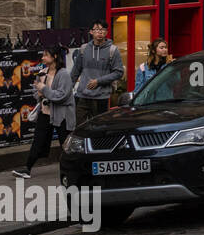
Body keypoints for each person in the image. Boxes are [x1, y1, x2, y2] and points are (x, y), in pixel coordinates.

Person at [14, 48, 75, 179]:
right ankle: (27, 168)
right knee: (38, 140)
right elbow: (36, 92)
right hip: (45, 112)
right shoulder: (42, 72)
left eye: (45, 55)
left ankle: (73, 169)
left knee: (65, 143)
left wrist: (44, 89)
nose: (42, 58)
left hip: (61, 114)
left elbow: (62, 96)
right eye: (42, 55)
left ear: (54, 56)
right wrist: (39, 93)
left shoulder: (63, 74)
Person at [70, 21, 124, 126]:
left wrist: (99, 81)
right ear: (91, 32)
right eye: (97, 29)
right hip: (83, 95)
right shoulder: (84, 49)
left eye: (103, 29)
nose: (100, 32)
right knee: (78, 127)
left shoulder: (113, 50)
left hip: (101, 97)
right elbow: (75, 71)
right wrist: (68, 90)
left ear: (106, 32)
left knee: (99, 127)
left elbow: (118, 72)